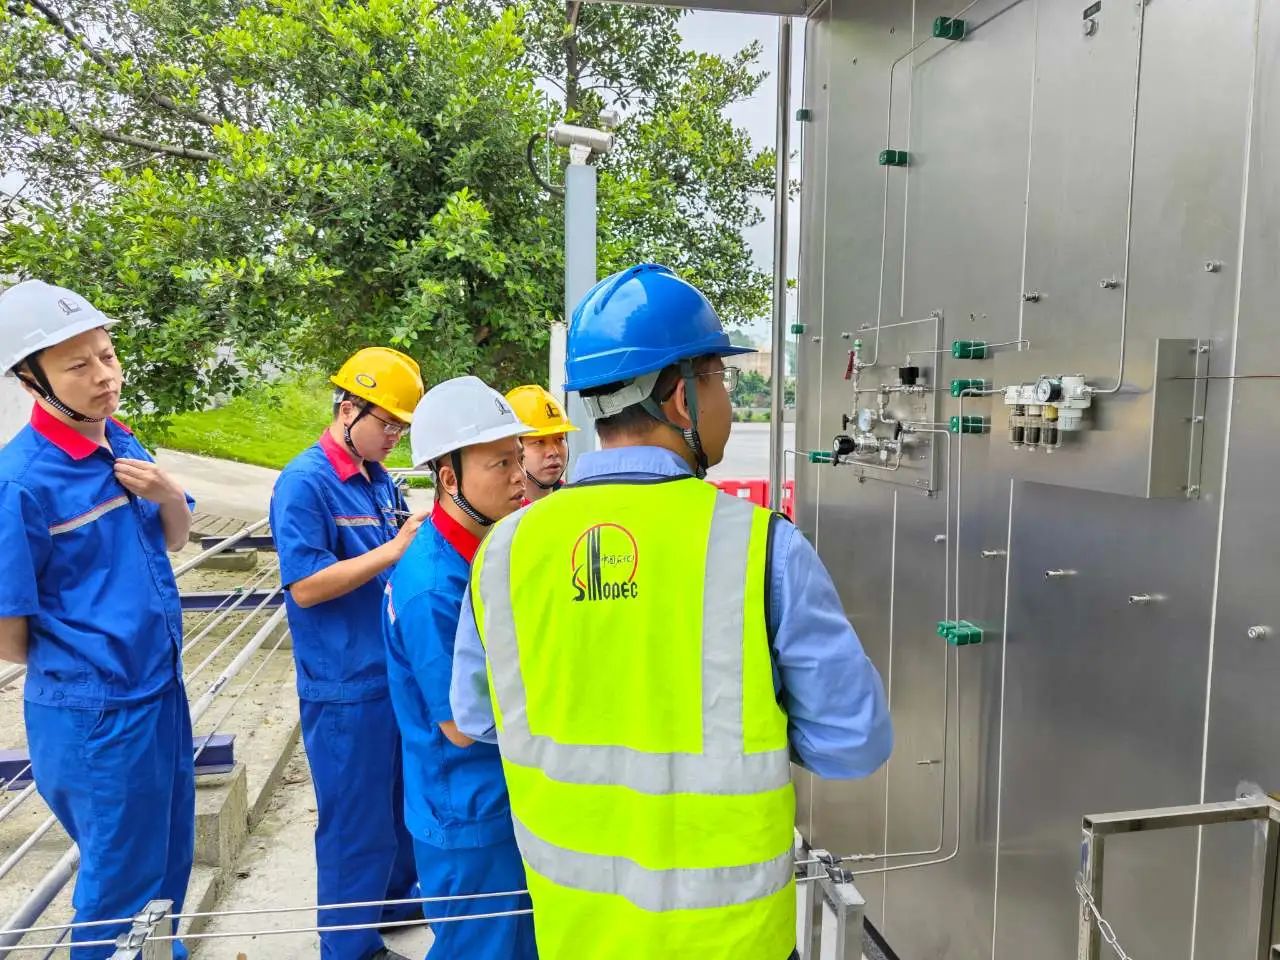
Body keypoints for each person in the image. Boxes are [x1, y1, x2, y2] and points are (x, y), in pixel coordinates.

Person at [451, 264, 894, 960]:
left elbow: (478, 718)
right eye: (720, 378)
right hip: (731, 941)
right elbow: (853, 741)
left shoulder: (503, 553)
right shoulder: (762, 549)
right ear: (682, 398)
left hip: (577, 937)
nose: (727, 398)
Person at [0, 280, 196, 959]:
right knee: (118, 890)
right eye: (78, 366)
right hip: (98, 714)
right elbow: (8, 632)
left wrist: (167, 491)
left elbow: (174, 537)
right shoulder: (21, 482)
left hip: (158, 688)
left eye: (108, 356)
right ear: (32, 380)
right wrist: (91, 660)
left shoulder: (121, 439)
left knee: (167, 863)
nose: (104, 376)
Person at [269, 348, 427, 960]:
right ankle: (349, 946)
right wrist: (394, 549)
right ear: (347, 408)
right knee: (354, 823)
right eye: (387, 423)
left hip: (387, 674)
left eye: (401, 428)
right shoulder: (305, 483)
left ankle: (393, 902)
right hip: (344, 687)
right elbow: (307, 586)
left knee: (396, 808)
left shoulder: (378, 479)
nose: (394, 437)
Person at [382, 376, 537, 960]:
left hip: (494, 803)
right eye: (501, 463)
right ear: (449, 479)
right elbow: (459, 725)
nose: (520, 476)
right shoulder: (432, 586)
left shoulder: (482, 552)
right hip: (469, 815)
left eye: (518, 457)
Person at [503, 385, 578, 504]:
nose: (554, 452)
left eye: (559, 439)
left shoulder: (574, 502)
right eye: (539, 442)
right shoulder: (500, 511)